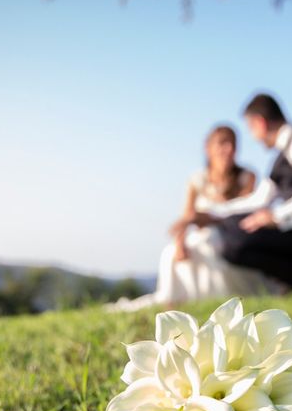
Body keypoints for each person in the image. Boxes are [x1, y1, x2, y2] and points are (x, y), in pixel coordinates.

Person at [109, 125, 277, 311]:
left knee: (209, 242)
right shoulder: (197, 179)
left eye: (233, 144)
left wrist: (207, 217)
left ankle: (222, 299)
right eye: (222, 143)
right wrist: (180, 243)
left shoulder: (247, 177)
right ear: (209, 148)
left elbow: (243, 214)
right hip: (198, 236)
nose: (228, 149)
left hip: (229, 237)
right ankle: (173, 301)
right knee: (170, 253)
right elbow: (186, 217)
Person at [196, 93, 292, 290]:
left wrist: (277, 216)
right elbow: (260, 200)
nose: (253, 137)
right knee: (231, 226)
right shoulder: (281, 157)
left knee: (236, 242)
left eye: (250, 128)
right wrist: (215, 213)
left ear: (260, 123)